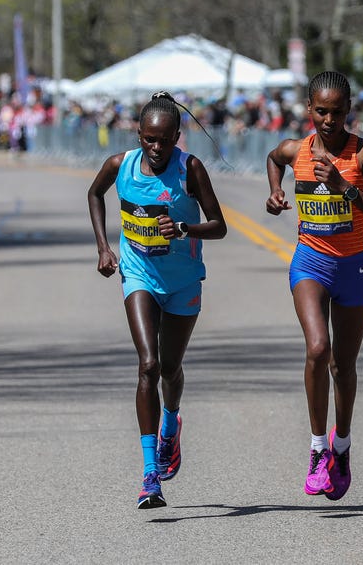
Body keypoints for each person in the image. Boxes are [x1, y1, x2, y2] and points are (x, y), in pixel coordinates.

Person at [87, 91, 227, 509]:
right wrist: (103, 247)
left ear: (177, 137)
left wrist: (184, 228)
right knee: (147, 364)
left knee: (170, 367)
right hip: (139, 273)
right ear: (139, 134)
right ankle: (150, 475)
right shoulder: (121, 165)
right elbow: (95, 195)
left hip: (183, 281)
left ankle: (171, 424)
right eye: (150, 139)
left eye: (165, 140)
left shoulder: (190, 170)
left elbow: (219, 226)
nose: (157, 147)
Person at [265, 70, 363, 501]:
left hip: (356, 266)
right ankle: (318, 447)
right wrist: (275, 192)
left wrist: (346, 189)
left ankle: (342, 446)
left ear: (349, 112)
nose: (328, 119)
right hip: (311, 261)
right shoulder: (295, 149)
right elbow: (274, 158)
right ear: (308, 110)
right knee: (317, 349)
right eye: (320, 111)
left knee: (343, 364)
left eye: (337, 112)